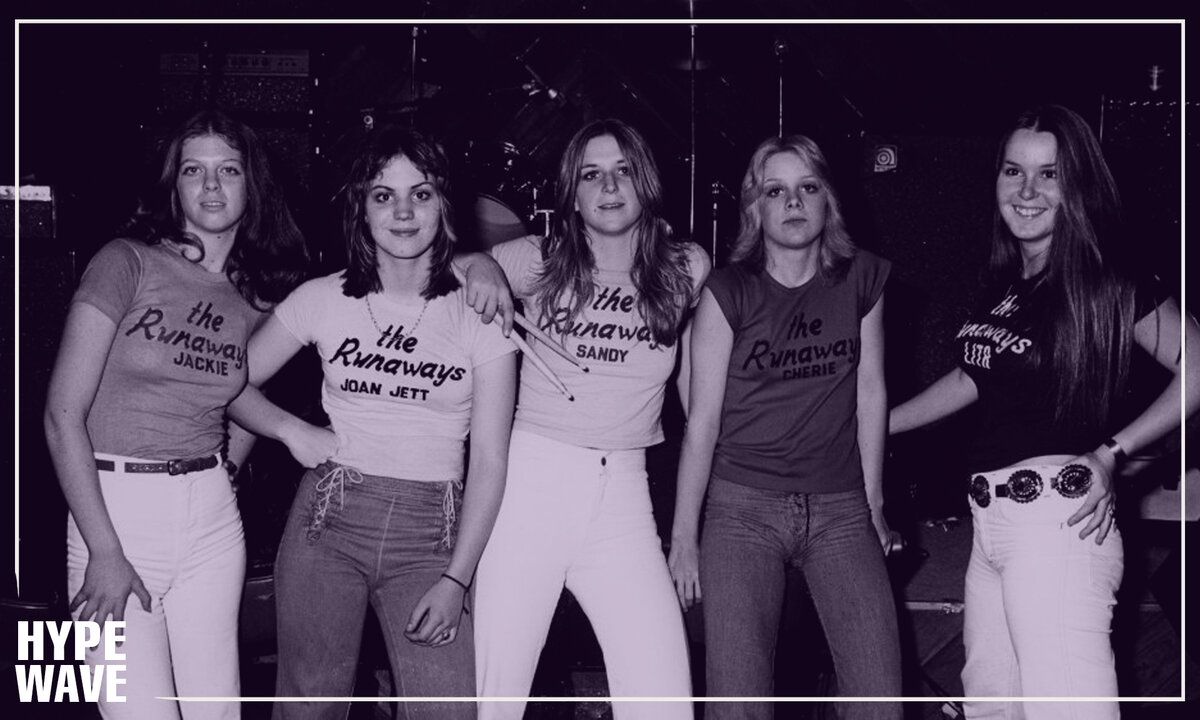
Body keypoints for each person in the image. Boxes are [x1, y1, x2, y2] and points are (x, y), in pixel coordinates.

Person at [889, 104, 1199, 719]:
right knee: (992, 709)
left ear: (1077, 185)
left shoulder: (1103, 278)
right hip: (992, 527)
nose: (1027, 190)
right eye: (1014, 171)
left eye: (1049, 174)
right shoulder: (1012, 285)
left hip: (1058, 528)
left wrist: (1112, 453)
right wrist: (873, 424)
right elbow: (971, 377)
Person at [229, 124, 516, 719]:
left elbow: (490, 458)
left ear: (443, 203)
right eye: (384, 195)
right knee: (309, 709)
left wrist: (457, 579)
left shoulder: (480, 312)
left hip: (432, 535)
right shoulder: (322, 297)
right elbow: (226, 382)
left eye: (421, 193)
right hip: (328, 519)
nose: (403, 212)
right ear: (361, 207)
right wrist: (290, 430)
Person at [44, 109, 308, 719]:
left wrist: (246, 457)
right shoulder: (125, 261)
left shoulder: (254, 294)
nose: (211, 185)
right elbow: (61, 416)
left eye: (228, 170)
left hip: (211, 520)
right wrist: (104, 550)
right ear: (174, 184)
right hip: (113, 515)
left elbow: (229, 389)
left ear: (252, 184)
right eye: (194, 170)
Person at [463, 118, 710, 720]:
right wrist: (481, 266)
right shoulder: (538, 258)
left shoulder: (686, 267)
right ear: (572, 195)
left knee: (664, 700)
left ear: (645, 181)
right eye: (591, 175)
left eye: (623, 170)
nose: (609, 187)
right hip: (530, 489)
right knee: (497, 698)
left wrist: (684, 535)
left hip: (624, 498)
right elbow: (445, 263)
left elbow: (699, 406)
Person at [667, 134, 901, 719]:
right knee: (738, 704)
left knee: (879, 700)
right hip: (742, 508)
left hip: (841, 507)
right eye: (776, 191)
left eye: (807, 187)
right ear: (756, 207)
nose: (793, 202)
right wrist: (684, 538)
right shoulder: (727, 291)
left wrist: (874, 502)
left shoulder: (862, 278)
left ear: (828, 200)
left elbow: (870, 391)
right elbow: (702, 423)